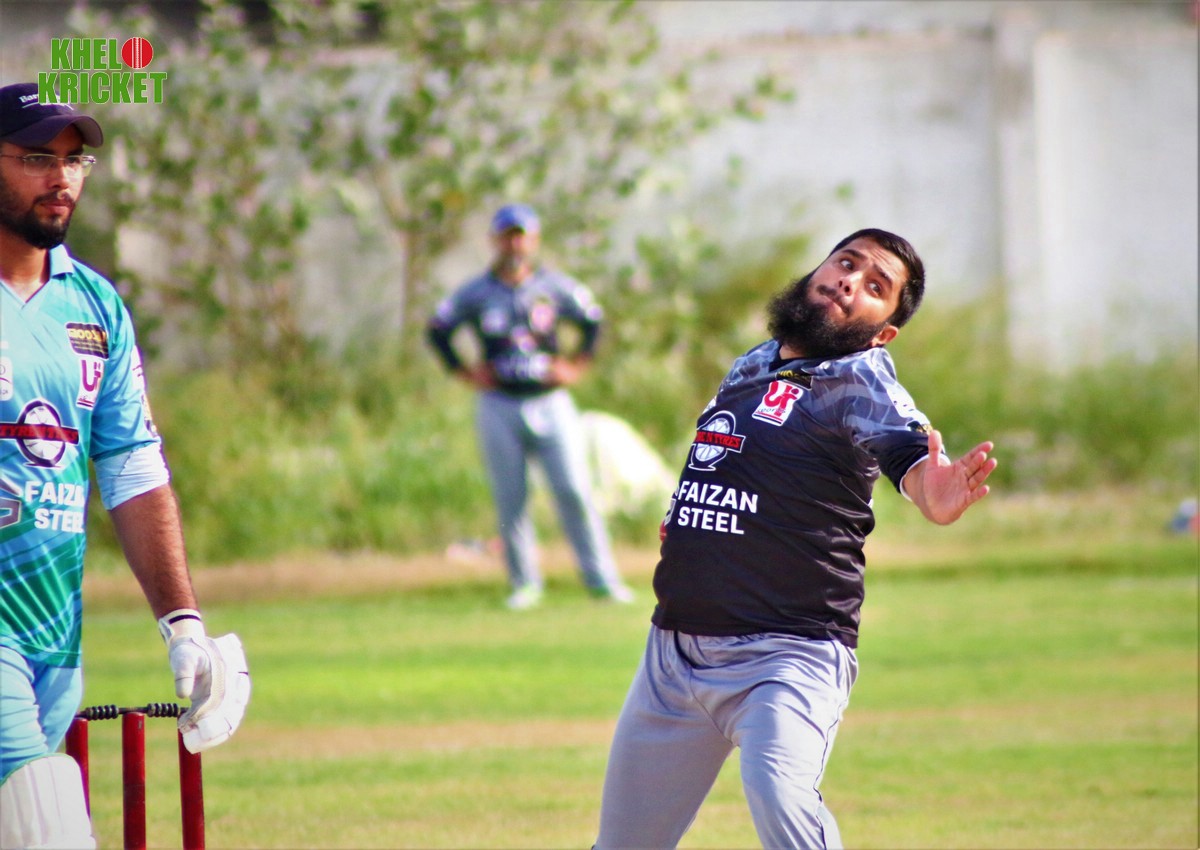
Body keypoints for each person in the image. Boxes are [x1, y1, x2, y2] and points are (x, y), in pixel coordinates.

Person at [593, 228, 997, 849]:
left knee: (782, 801)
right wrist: (688, 516)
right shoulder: (755, 363)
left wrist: (930, 488)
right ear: (818, 270)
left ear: (883, 333)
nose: (849, 281)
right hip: (673, 655)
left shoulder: (859, 377)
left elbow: (907, 452)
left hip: (786, 656)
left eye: (875, 286)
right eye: (845, 263)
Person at [0, 82, 250, 849]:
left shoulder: (95, 306)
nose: (62, 178)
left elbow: (133, 469)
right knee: (51, 830)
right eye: (37, 158)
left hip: (51, 632)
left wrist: (183, 625)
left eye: (76, 160)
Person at [427, 204, 634, 610]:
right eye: (508, 236)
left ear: (534, 240)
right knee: (511, 497)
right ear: (495, 240)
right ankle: (525, 584)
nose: (515, 244)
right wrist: (463, 371)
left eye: (522, 235)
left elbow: (593, 320)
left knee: (574, 490)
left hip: (550, 401)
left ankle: (602, 581)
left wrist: (576, 365)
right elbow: (438, 329)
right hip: (499, 403)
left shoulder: (554, 286)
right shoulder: (477, 292)